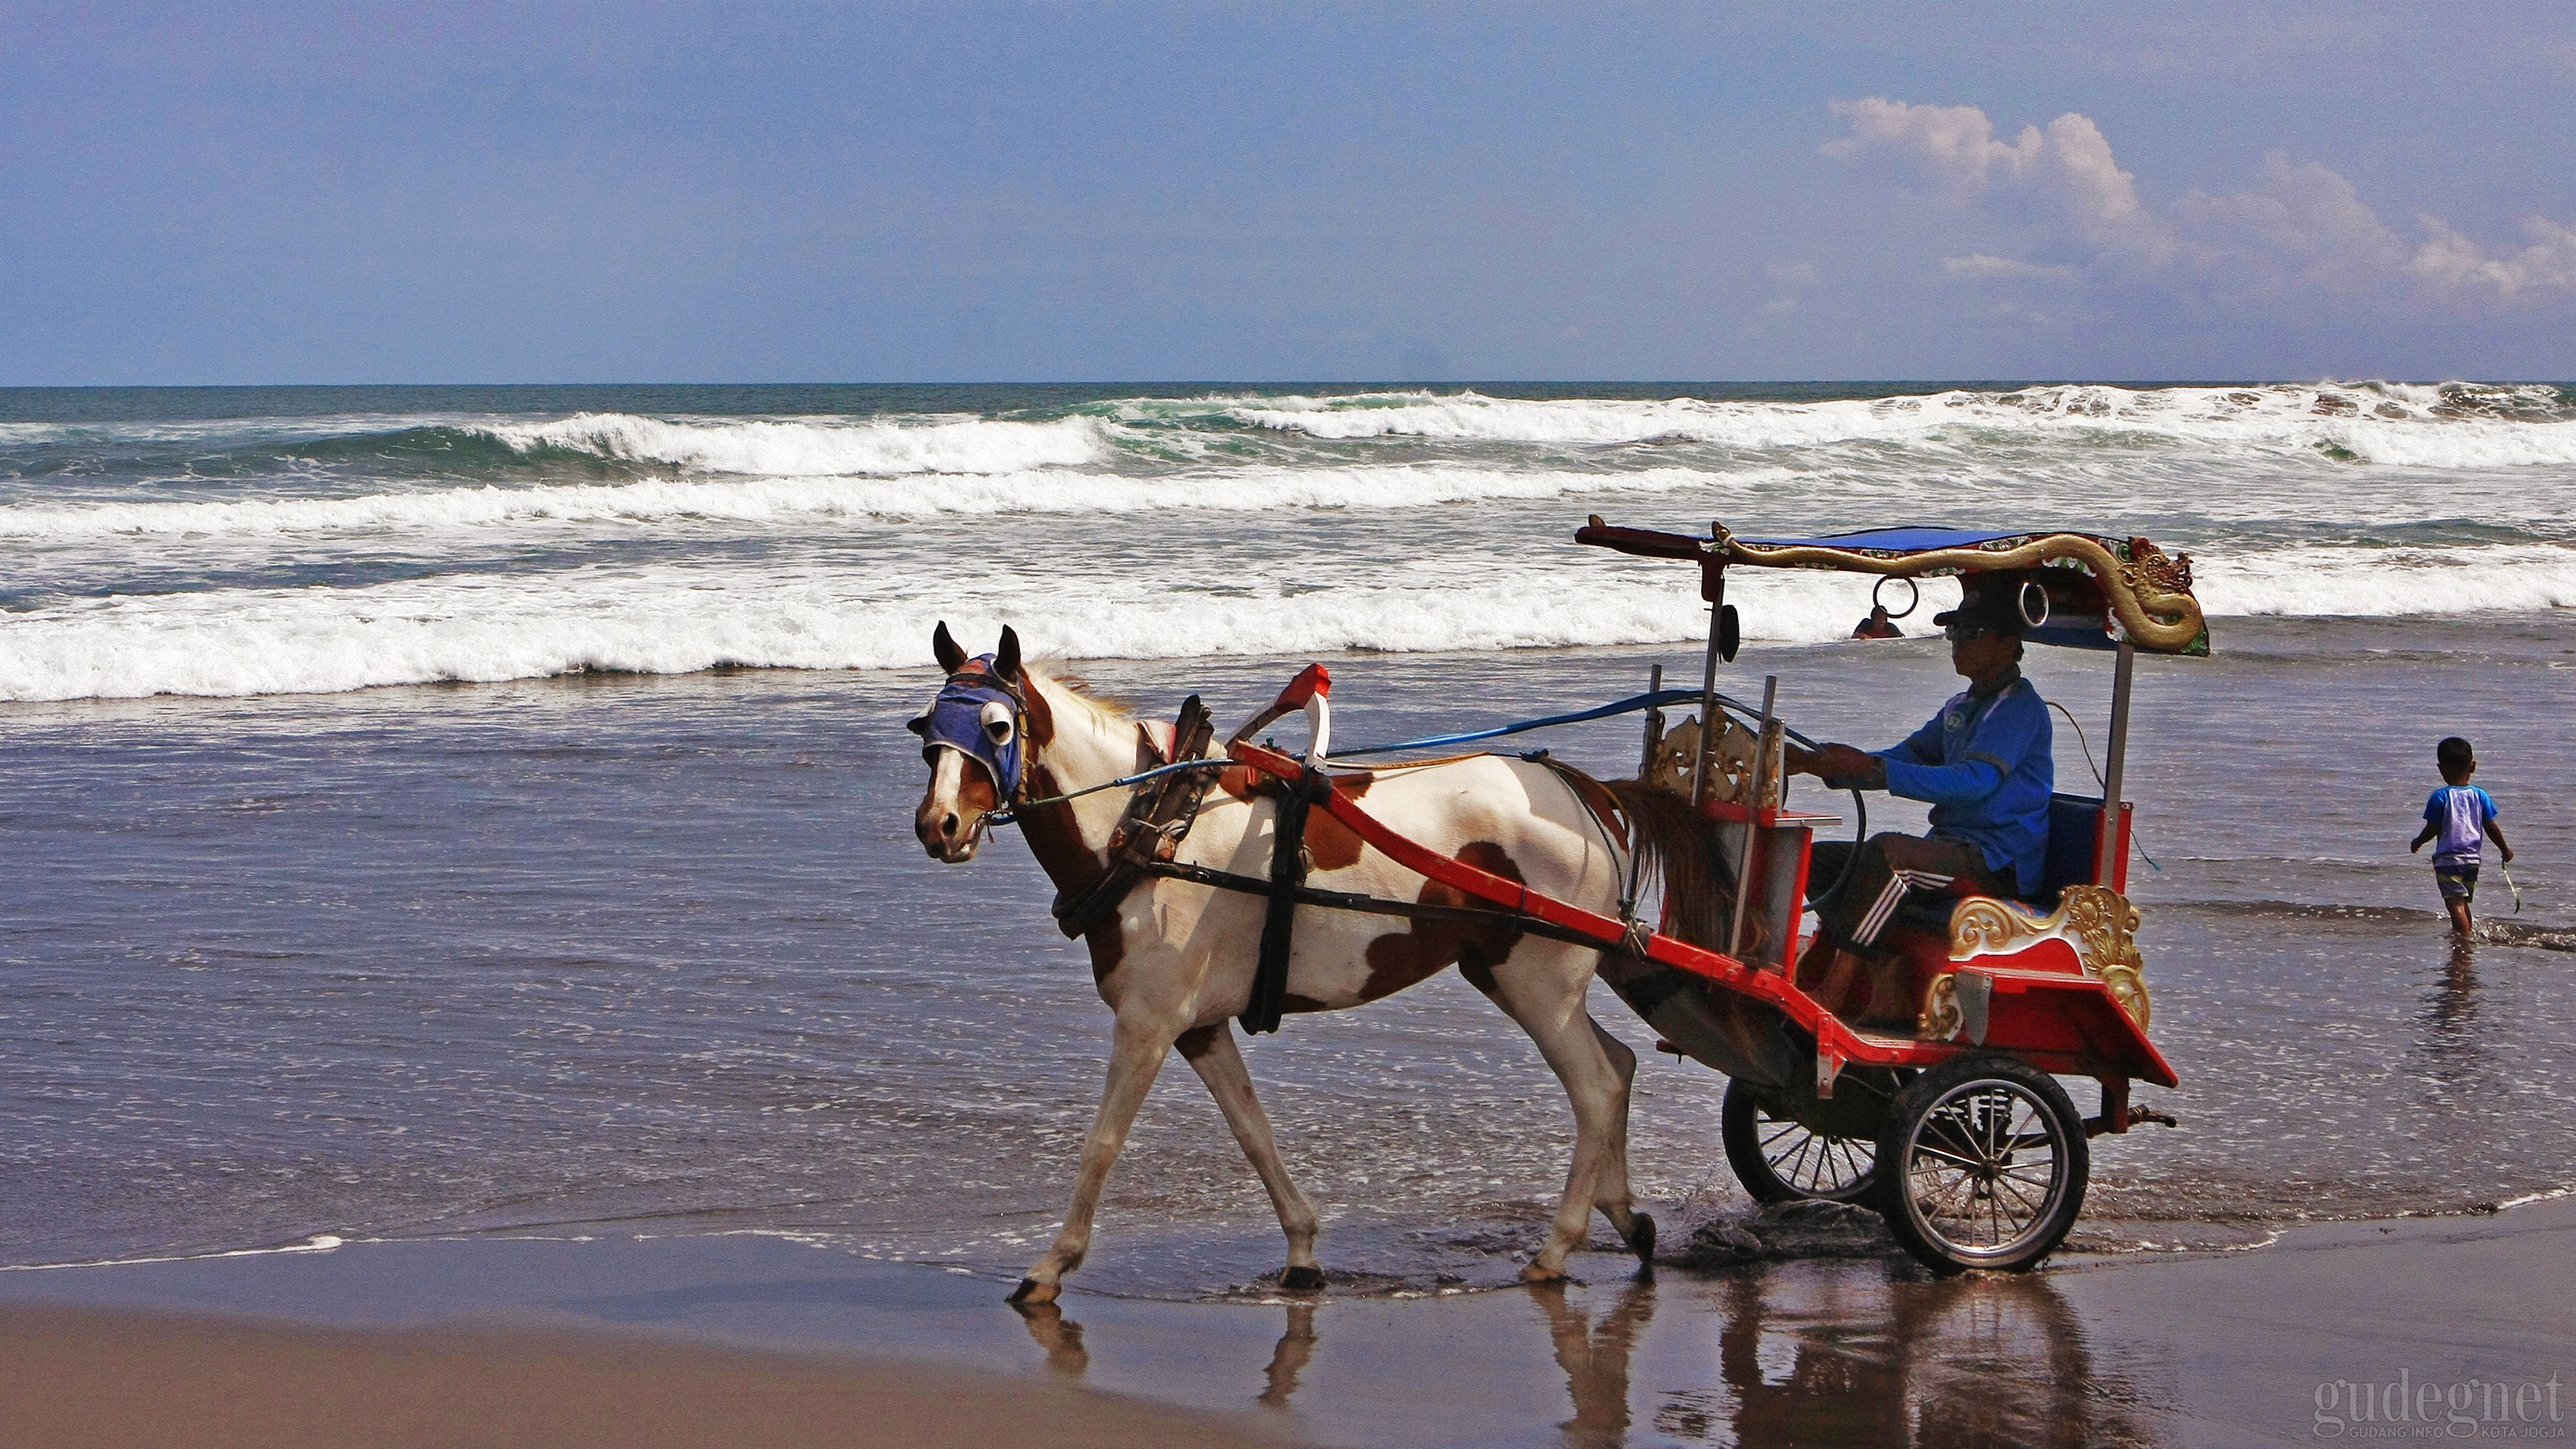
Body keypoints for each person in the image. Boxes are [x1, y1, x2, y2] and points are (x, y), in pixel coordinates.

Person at [1782, 585, 2054, 1018]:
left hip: (1994, 863)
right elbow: (1904, 757)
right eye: (1955, 633)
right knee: (1820, 862)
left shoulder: (2020, 709)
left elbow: (1973, 782)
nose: (1958, 643)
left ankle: (1835, 993)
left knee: (1889, 856)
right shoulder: (1961, 706)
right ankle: (1820, 970)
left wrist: (1873, 769)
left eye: (1972, 633)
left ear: (2009, 644)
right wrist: (1820, 764)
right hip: (1951, 850)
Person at [2410, 737, 2512, 937]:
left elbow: (2432, 827)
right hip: (2473, 860)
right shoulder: (2480, 796)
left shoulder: (2440, 797)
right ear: (2473, 766)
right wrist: (2504, 849)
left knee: (2454, 902)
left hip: (2449, 859)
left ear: (2441, 769)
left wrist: (2418, 841)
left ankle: (2463, 938)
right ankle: (2468, 934)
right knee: (2463, 901)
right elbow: (2490, 826)